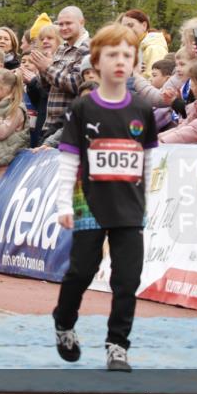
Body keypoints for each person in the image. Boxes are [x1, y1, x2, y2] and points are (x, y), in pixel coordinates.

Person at [53, 23, 158, 372]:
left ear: (135, 63)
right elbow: (68, 158)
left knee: (128, 279)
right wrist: (63, 204)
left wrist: (149, 199)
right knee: (82, 271)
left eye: (127, 55)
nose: (120, 61)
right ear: (96, 61)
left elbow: (149, 159)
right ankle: (64, 321)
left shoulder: (143, 110)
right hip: (90, 205)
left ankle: (118, 345)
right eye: (112, 54)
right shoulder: (84, 109)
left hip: (130, 208)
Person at [32, 6, 90, 141]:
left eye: (68, 23)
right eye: (60, 24)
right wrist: (41, 68)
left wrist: (47, 68)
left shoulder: (88, 48)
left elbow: (76, 84)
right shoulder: (61, 48)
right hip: (49, 125)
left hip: (69, 126)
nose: (63, 28)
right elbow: (47, 87)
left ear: (81, 22)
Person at [120, 10, 169, 76]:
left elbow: (153, 82)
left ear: (144, 25)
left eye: (130, 25)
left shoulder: (154, 48)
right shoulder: (137, 48)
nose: (127, 30)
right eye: (123, 27)